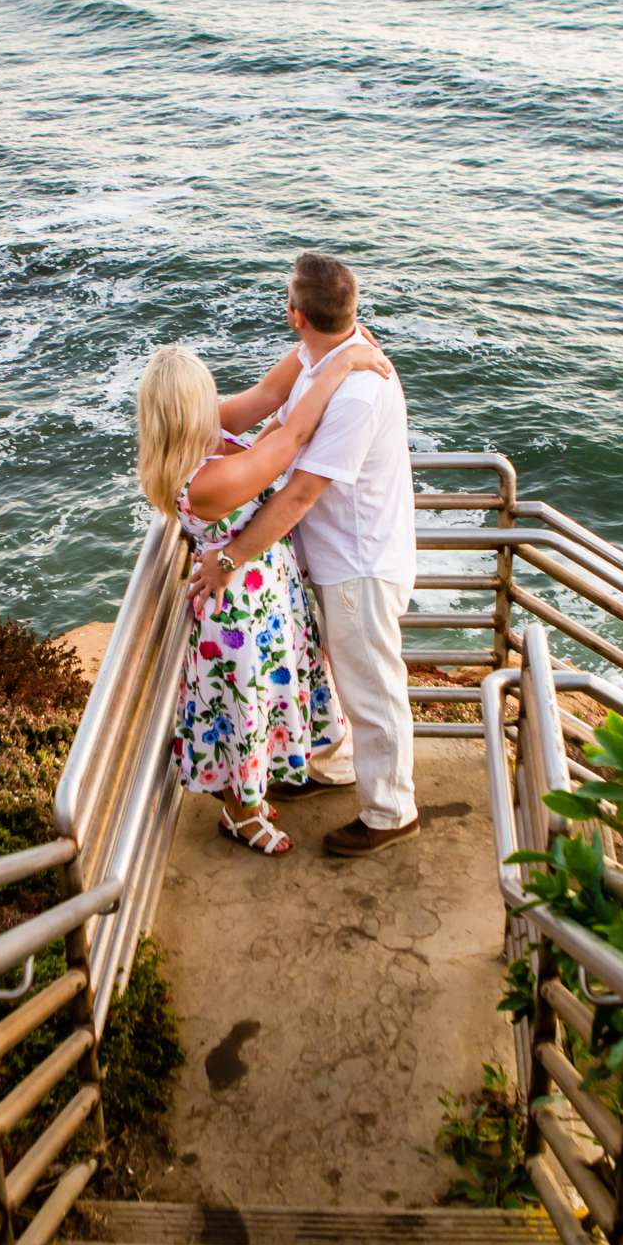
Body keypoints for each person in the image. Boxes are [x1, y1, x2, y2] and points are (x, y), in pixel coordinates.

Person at [188, 253, 419, 858]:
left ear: (295, 315)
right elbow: (265, 397)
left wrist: (230, 557)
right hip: (330, 554)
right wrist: (176, 419)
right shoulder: (321, 356)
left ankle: (391, 810)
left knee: (372, 686)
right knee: (342, 674)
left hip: (360, 562)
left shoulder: (358, 392)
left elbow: (300, 492)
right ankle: (338, 767)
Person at [134, 338, 392, 856]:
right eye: (203, 395)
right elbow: (292, 435)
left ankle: (248, 798)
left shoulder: (202, 433)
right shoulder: (206, 481)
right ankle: (239, 813)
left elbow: (273, 393)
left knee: (259, 705)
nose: (215, 402)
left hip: (262, 597)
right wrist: (344, 361)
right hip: (239, 615)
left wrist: (327, 334)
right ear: (187, 408)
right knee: (243, 710)